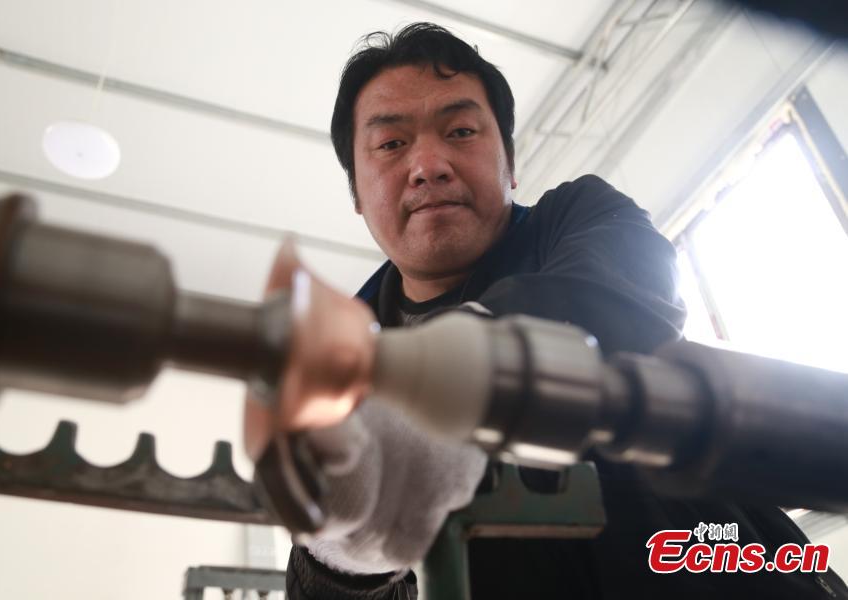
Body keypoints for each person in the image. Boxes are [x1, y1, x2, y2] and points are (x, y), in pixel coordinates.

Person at [244, 22, 848, 599]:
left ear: (509, 162)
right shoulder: (344, 356)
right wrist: (345, 555)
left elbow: (624, 302)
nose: (428, 165)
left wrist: (457, 367)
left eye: (460, 131)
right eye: (391, 144)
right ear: (356, 191)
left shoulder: (581, 219)